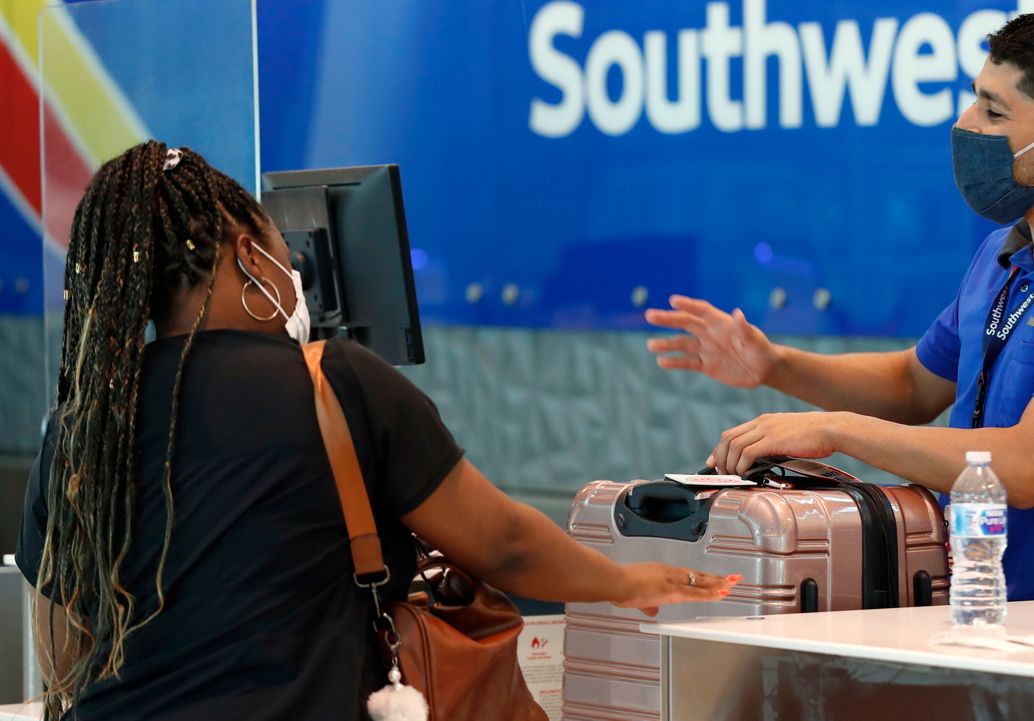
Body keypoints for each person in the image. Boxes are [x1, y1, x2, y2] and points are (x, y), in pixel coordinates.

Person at [16, 141, 738, 721]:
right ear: (244, 253)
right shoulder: (333, 382)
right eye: (281, 251)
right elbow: (505, 544)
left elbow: (61, 650)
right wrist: (625, 578)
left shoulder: (81, 427)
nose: (293, 270)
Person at [645, 12, 1034, 602]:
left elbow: (1029, 465)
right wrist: (774, 365)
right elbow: (914, 383)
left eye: (993, 111)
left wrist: (835, 430)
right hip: (948, 606)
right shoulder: (1001, 253)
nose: (964, 125)